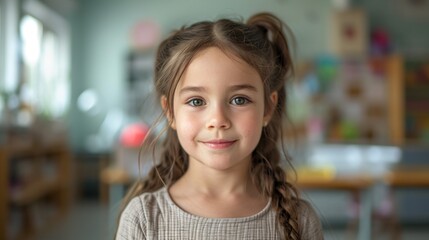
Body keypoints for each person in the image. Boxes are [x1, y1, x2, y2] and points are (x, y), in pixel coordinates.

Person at [116, 12, 323, 240]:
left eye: (239, 99)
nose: (218, 120)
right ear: (170, 111)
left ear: (267, 108)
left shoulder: (299, 220)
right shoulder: (143, 218)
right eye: (196, 101)